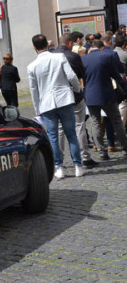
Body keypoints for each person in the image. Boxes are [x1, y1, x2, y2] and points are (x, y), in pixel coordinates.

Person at [27, 34, 84, 179]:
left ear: (34, 47)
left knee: (53, 137)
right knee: (71, 134)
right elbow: (71, 76)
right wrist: (77, 89)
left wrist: (37, 109)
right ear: (47, 44)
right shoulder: (59, 57)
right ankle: (78, 166)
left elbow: (34, 90)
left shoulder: (31, 66)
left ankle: (59, 167)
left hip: (46, 104)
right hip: (64, 99)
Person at [53, 33, 98, 168]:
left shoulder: (51, 56)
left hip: (58, 97)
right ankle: (85, 157)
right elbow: (81, 74)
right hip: (74, 95)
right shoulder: (73, 56)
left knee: (60, 128)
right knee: (79, 126)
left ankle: (59, 160)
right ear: (70, 43)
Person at [82, 39, 127, 160]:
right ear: (102, 47)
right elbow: (116, 75)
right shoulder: (107, 56)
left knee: (95, 123)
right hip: (107, 94)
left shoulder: (84, 59)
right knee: (117, 121)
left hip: (91, 96)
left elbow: (81, 77)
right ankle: (125, 149)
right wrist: (123, 86)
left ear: (92, 47)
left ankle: (102, 152)